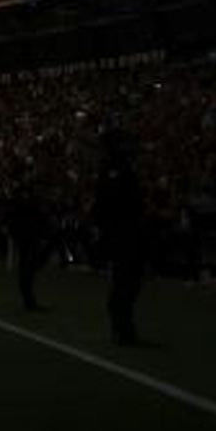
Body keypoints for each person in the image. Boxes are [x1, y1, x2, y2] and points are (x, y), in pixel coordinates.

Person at [94, 127, 149, 346]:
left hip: (126, 232)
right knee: (125, 282)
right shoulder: (113, 169)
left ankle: (122, 326)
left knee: (128, 281)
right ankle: (122, 328)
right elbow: (113, 204)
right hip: (123, 233)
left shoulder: (117, 168)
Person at [6, 178, 53, 311]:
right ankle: (29, 301)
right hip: (28, 237)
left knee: (28, 269)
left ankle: (29, 300)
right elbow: (38, 217)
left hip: (28, 237)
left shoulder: (25, 201)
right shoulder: (28, 202)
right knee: (28, 269)